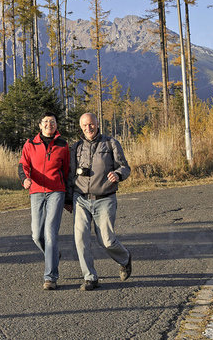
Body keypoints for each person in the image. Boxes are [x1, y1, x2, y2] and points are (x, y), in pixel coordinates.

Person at [68, 112, 132, 291]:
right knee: (80, 239)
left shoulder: (111, 143)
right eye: (85, 125)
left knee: (107, 240)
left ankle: (125, 259)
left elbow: (124, 167)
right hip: (80, 198)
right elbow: (70, 174)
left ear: (97, 124)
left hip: (105, 198)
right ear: (80, 127)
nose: (88, 128)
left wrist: (118, 174)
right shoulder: (76, 147)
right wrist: (67, 198)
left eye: (91, 124)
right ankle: (90, 277)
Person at [18, 111, 70, 290]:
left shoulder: (63, 145)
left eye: (53, 121)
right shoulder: (30, 144)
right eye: (46, 122)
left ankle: (50, 277)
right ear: (40, 125)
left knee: (50, 232)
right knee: (36, 235)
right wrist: (25, 178)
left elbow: (67, 171)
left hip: (57, 191)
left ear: (56, 125)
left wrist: (68, 197)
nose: (49, 124)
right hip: (36, 191)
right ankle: (53, 254)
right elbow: (23, 165)